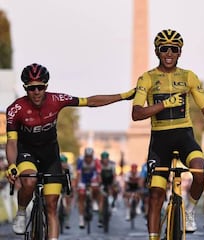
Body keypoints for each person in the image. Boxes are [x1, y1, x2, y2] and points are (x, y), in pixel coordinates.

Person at [5, 62, 136, 240]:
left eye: (40, 87)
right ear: (25, 88)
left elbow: (90, 102)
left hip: (50, 154)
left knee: (51, 205)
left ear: (46, 86)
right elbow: (12, 143)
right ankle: (21, 212)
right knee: (29, 182)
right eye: (31, 88)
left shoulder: (56, 100)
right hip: (26, 152)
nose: (36, 92)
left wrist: (123, 96)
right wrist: (12, 165)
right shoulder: (15, 109)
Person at [131, 29, 204, 240]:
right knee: (156, 194)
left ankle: (189, 211)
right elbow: (137, 113)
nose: (169, 53)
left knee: (199, 172)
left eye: (174, 49)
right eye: (164, 49)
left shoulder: (188, 77)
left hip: (184, 135)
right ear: (157, 52)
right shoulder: (147, 78)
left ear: (180, 53)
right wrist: (163, 104)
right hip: (159, 141)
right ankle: (153, 237)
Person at [59, 154, 74, 229]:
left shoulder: (70, 168)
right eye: (61, 162)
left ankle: (67, 219)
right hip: (58, 184)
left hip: (66, 184)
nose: (63, 164)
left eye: (64, 162)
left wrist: (71, 190)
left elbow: (72, 180)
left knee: (68, 201)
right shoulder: (56, 168)